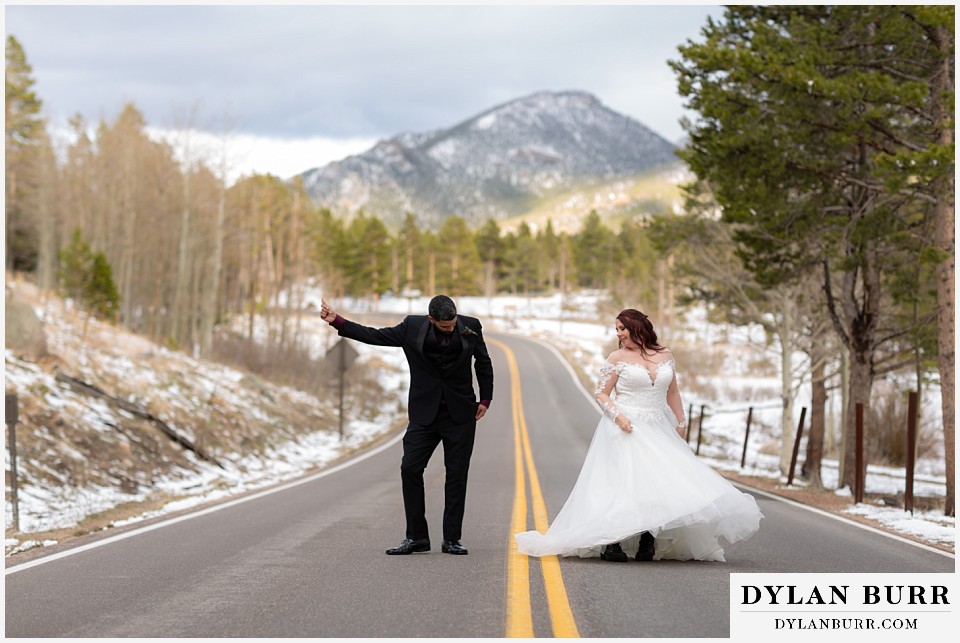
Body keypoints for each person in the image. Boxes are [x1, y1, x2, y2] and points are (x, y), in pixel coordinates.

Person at [515, 309, 762, 562]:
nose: (619, 334)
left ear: (638, 328)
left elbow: (673, 392)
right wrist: (619, 417)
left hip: (658, 424)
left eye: (622, 328)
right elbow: (601, 394)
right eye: (617, 329)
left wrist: (681, 421)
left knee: (658, 483)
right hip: (624, 425)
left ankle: (648, 538)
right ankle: (612, 543)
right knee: (622, 484)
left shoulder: (665, 355)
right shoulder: (616, 357)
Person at [320, 295, 493, 556]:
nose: (450, 328)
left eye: (453, 324)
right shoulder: (412, 328)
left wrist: (486, 398)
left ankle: (452, 539)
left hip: (461, 414)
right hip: (424, 415)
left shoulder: (471, 326)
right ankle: (417, 538)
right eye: (444, 326)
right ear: (431, 320)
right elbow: (375, 336)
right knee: (410, 469)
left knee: (456, 476)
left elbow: (483, 362)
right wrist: (338, 322)